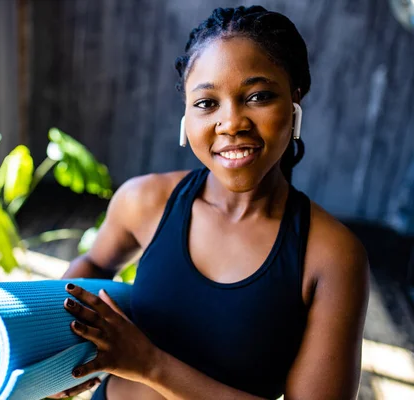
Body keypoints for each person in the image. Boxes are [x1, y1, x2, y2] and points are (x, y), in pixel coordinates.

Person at [49, 5, 369, 400]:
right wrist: (61, 354)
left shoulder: (331, 256)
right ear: (186, 115)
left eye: (258, 96)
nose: (232, 122)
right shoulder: (144, 201)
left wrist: (150, 365)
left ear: (294, 100)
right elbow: (93, 265)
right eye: (207, 103)